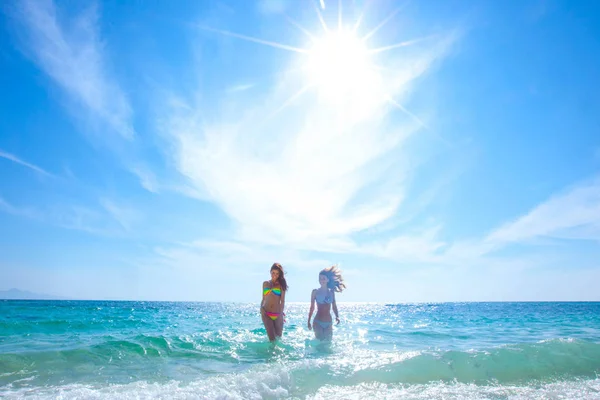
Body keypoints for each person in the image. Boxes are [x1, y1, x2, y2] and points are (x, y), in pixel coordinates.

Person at [307, 265, 346, 341]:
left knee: (327, 343)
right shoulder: (315, 292)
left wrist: (337, 316)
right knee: (320, 343)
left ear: (328, 280)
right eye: (320, 279)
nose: (321, 280)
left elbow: (334, 306)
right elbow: (312, 307)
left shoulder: (331, 292)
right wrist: (308, 321)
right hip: (318, 322)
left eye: (323, 278)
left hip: (328, 323)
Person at [261, 262, 288, 342]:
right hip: (266, 313)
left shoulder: (281, 285)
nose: (275, 275)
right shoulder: (265, 284)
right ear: (270, 272)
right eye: (273, 273)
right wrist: (261, 309)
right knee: (272, 339)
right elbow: (263, 298)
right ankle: (270, 354)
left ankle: (277, 354)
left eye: (277, 273)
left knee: (278, 339)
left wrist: (280, 313)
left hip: (277, 314)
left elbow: (282, 301)